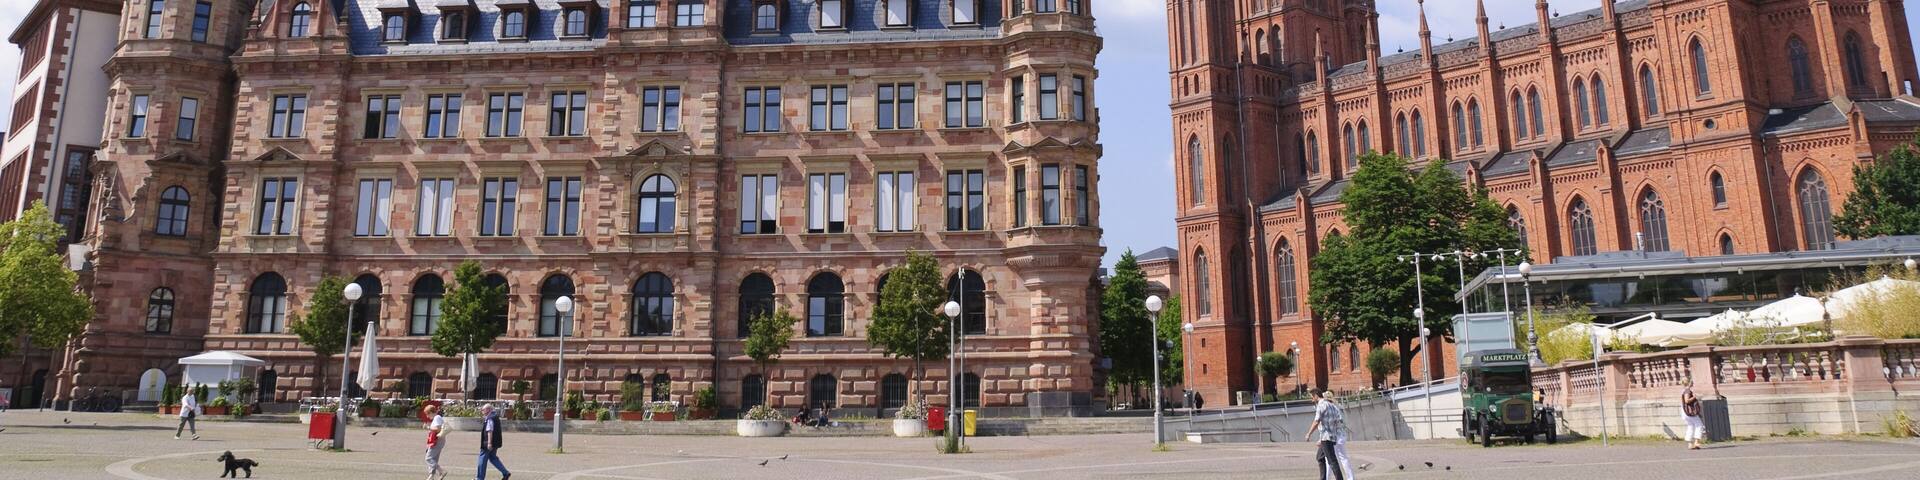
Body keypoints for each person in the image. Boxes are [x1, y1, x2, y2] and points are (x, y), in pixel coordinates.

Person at [1303, 390, 1353, 480]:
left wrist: (1309, 433)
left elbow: (1316, 421)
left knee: (1332, 461)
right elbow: (1337, 422)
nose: (1311, 399)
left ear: (1316, 395)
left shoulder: (1321, 405)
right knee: (1321, 457)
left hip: (1326, 437)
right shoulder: (1332, 406)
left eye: (1312, 397)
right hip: (1332, 436)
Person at [476, 405, 510, 480]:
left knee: (482, 459)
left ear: (488, 409)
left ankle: (479, 478)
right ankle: (505, 473)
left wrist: (489, 443)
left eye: (483, 410)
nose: (482, 411)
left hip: (488, 443)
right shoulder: (495, 417)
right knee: (493, 458)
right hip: (496, 442)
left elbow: (490, 431)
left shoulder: (490, 418)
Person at [423, 404, 447, 480]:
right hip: (437, 440)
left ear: (431, 412)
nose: (427, 416)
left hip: (437, 441)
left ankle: (441, 471)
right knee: (434, 458)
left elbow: (438, 429)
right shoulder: (437, 418)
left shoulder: (437, 418)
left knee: (428, 458)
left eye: (427, 414)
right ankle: (431, 476)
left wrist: (428, 427)